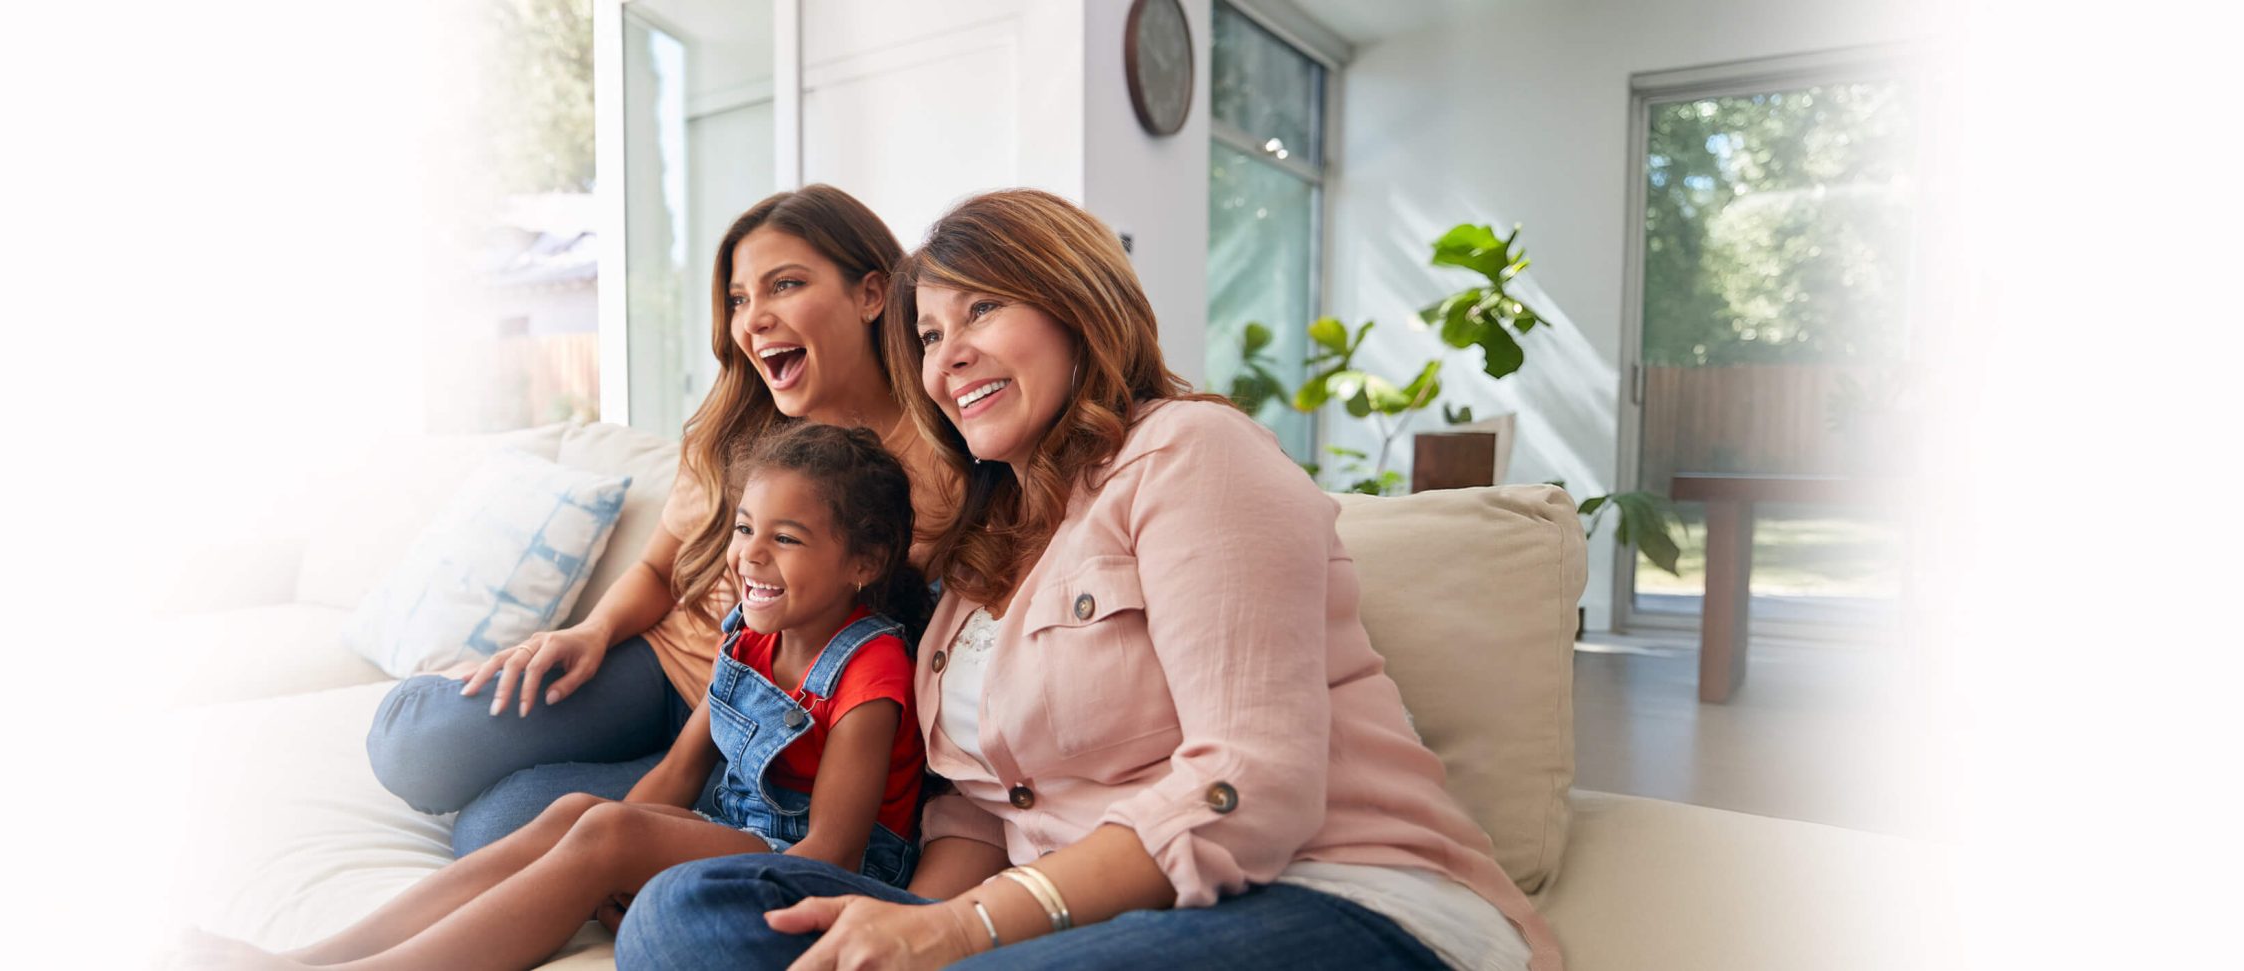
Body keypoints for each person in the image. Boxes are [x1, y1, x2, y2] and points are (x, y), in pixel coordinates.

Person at [613, 189, 1565, 971]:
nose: (950, 359)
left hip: (1333, 891)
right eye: (931, 336)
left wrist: (963, 930)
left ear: (1075, 301)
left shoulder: (1193, 453)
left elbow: (1252, 781)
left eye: (982, 309)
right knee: (687, 914)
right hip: (1081, 918)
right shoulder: (987, 544)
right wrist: (902, 927)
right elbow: (977, 811)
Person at [180, 423, 935, 971]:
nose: (749, 557)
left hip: (820, 869)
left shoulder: (870, 675)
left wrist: (638, 859)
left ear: (864, 560)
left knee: (609, 835)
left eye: (787, 538)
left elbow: (831, 854)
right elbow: (678, 771)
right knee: (583, 814)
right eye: (743, 528)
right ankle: (315, 955)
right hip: (740, 826)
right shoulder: (749, 631)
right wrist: (624, 843)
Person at [362, 185, 957, 856]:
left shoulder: (942, 469)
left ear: (871, 294)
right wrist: (591, 632)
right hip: (660, 669)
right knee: (414, 741)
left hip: (763, 740)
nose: (753, 319)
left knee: (490, 832)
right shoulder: (738, 429)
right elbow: (657, 569)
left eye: (783, 285)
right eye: (738, 299)